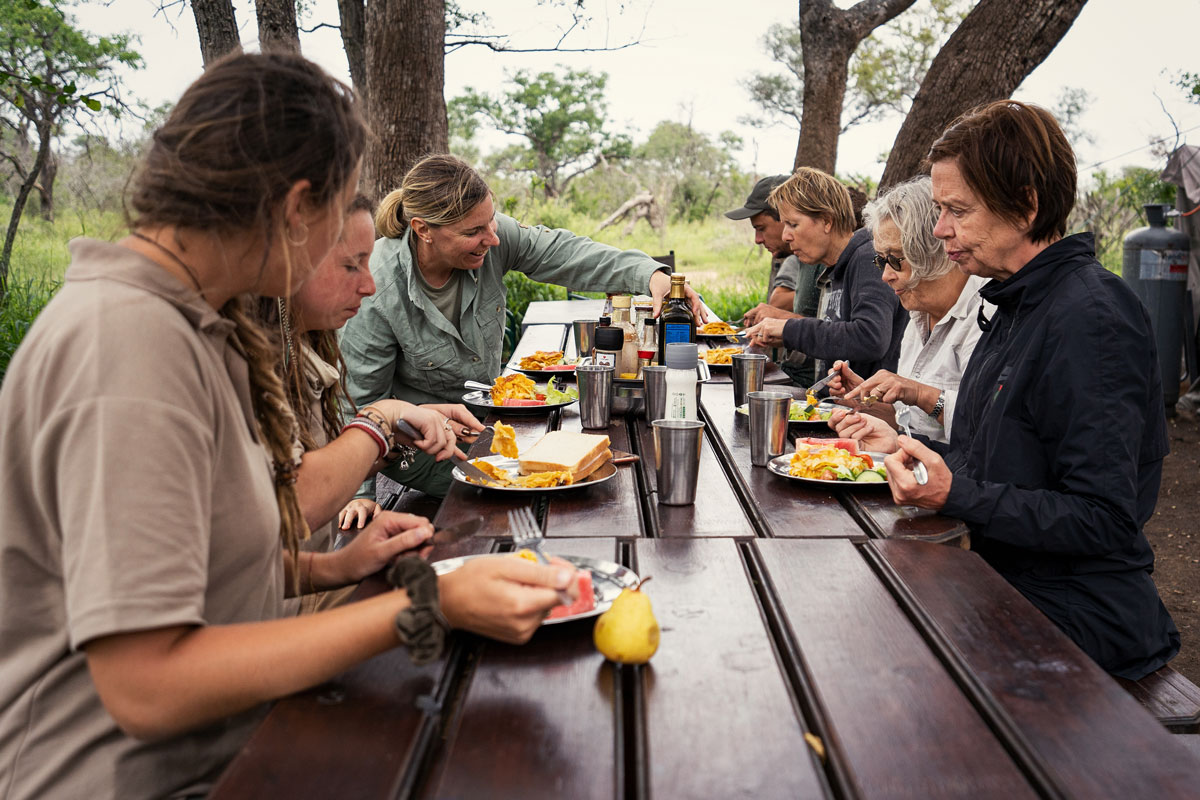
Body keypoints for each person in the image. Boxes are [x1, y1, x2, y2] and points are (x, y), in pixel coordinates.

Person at [0, 52, 576, 800]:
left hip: (241, 735)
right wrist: (422, 606)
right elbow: (147, 686)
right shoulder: (129, 345)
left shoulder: (191, 325)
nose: (366, 277)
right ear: (299, 205)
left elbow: (185, 565)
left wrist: (331, 568)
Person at [832, 100, 1178, 680]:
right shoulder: (1013, 301)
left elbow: (1105, 519)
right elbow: (1000, 463)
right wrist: (903, 450)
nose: (940, 229)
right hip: (998, 580)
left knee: (873, 659)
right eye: (941, 210)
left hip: (1076, 615)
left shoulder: (1089, 316)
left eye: (956, 211)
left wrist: (952, 496)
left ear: (1025, 204)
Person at [339, 153, 704, 499]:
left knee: (597, 468)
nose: (493, 239)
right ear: (423, 230)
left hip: (491, 422)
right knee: (542, 495)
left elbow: (565, 253)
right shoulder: (378, 289)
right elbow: (359, 400)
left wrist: (650, 273)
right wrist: (358, 493)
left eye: (492, 222)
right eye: (474, 231)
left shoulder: (491, 241)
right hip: (422, 449)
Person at [825, 176, 992, 443]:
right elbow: (909, 421)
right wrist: (862, 401)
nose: (885, 276)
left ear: (935, 249)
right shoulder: (918, 311)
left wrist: (920, 393)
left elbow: (988, 427)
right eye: (881, 261)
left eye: (894, 259)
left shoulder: (987, 313)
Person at [742, 167, 908, 383]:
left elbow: (871, 338)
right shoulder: (835, 268)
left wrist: (790, 330)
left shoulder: (867, 257)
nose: (786, 235)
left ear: (827, 221)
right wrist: (785, 337)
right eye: (784, 225)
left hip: (871, 410)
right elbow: (836, 336)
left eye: (793, 224)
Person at [725, 174, 803, 316]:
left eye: (761, 228)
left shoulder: (819, 258)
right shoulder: (798, 259)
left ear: (785, 218)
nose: (757, 240)